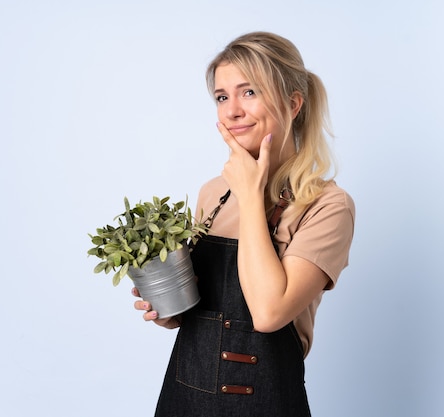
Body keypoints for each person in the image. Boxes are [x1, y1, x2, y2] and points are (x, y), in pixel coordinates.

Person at [132, 31, 355, 416]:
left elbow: (269, 313)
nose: (231, 110)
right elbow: (199, 313)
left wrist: (251, 195)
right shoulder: (212, 194)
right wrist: (167, 305)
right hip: (184, 400)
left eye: (249, 92)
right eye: (222, 97)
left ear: (293, 103)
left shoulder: (328, 206)